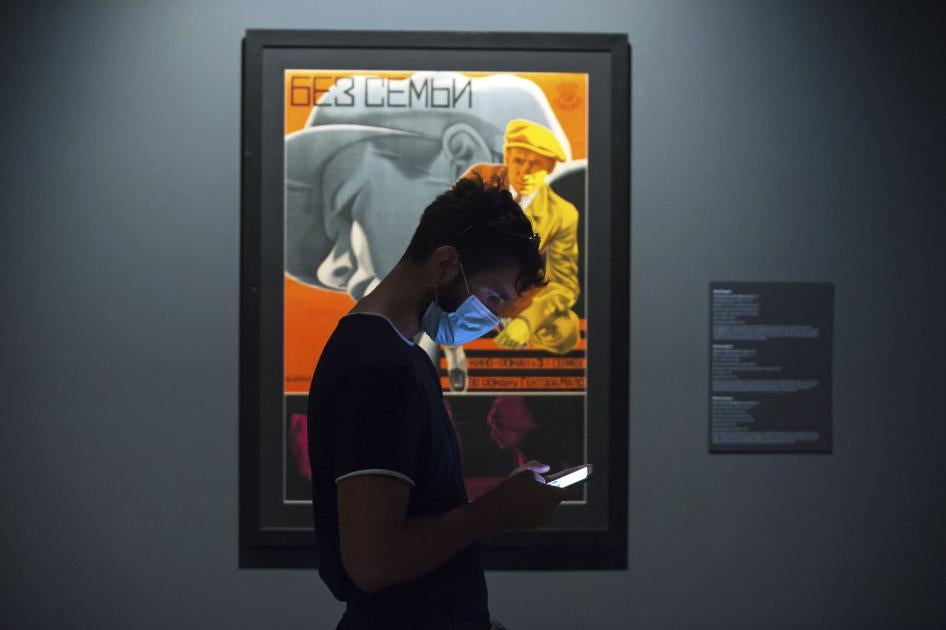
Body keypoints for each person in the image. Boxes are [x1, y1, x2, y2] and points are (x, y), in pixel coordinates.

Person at [306, 176, 578, 629]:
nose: (490, 322)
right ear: (446, 263)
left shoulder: (400, 357)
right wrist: (496, 511)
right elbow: (372, 562)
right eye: (492, 298)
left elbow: (414, 518)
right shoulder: (378, 369)